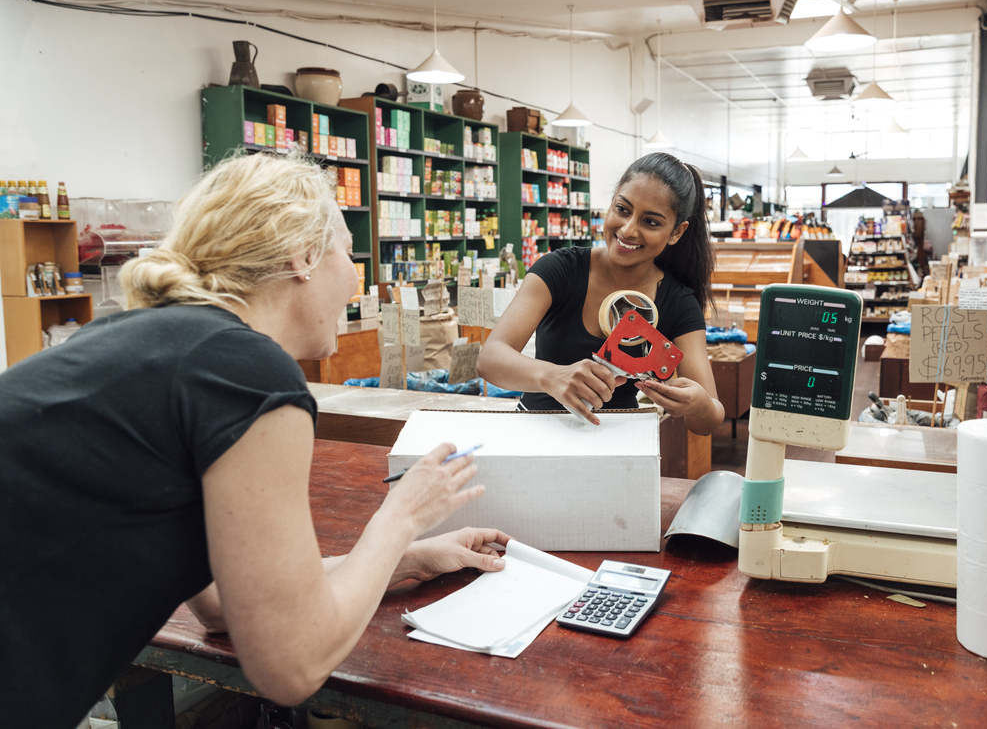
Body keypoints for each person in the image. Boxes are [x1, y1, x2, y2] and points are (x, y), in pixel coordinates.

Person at [0, 153, 506, 729]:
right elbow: (291, 667)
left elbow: (218, 608)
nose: (355, 276)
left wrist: (410, 559)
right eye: (346, 250)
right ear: (304, 256)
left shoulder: (148, 342)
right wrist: (402, 517)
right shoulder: (245, 370)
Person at [478, 153, 724, 434]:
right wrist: (552, 376)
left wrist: (700, 405)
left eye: (651, 222)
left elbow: (709, 419)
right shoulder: (560, 269)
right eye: (622, 209)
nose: (628, 230)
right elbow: (490, 359)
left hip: (618, 440)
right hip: (535, 431)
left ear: (676, 232)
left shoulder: (677, 301)